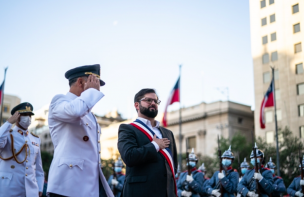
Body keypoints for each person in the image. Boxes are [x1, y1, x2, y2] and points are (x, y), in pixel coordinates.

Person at [47, 64, 113, 197]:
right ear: (80, 82)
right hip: (67, 184)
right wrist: (91, 92)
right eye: (94, 83)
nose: (97, 88)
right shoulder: (59, 101)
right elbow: (75, 111)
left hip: (88, 186)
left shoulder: (89, 112)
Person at [118, 88, 178, 197]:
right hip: (140, 192)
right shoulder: (127, 129)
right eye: (148, 100)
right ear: (137, 105)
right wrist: (155, 145)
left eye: (156, 101)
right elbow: (129, 156)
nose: (153, 103)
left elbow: (174, 165)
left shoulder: (168, 133)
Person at [0, 102, 44, 197]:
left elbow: (38, 168)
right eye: (24, 114)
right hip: (10, 188)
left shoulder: (35, 139)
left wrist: (40, 187)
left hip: (30, 190)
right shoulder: (7, 135)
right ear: (16, 116)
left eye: (29, 115)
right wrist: (8, 123)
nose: (27, 118)